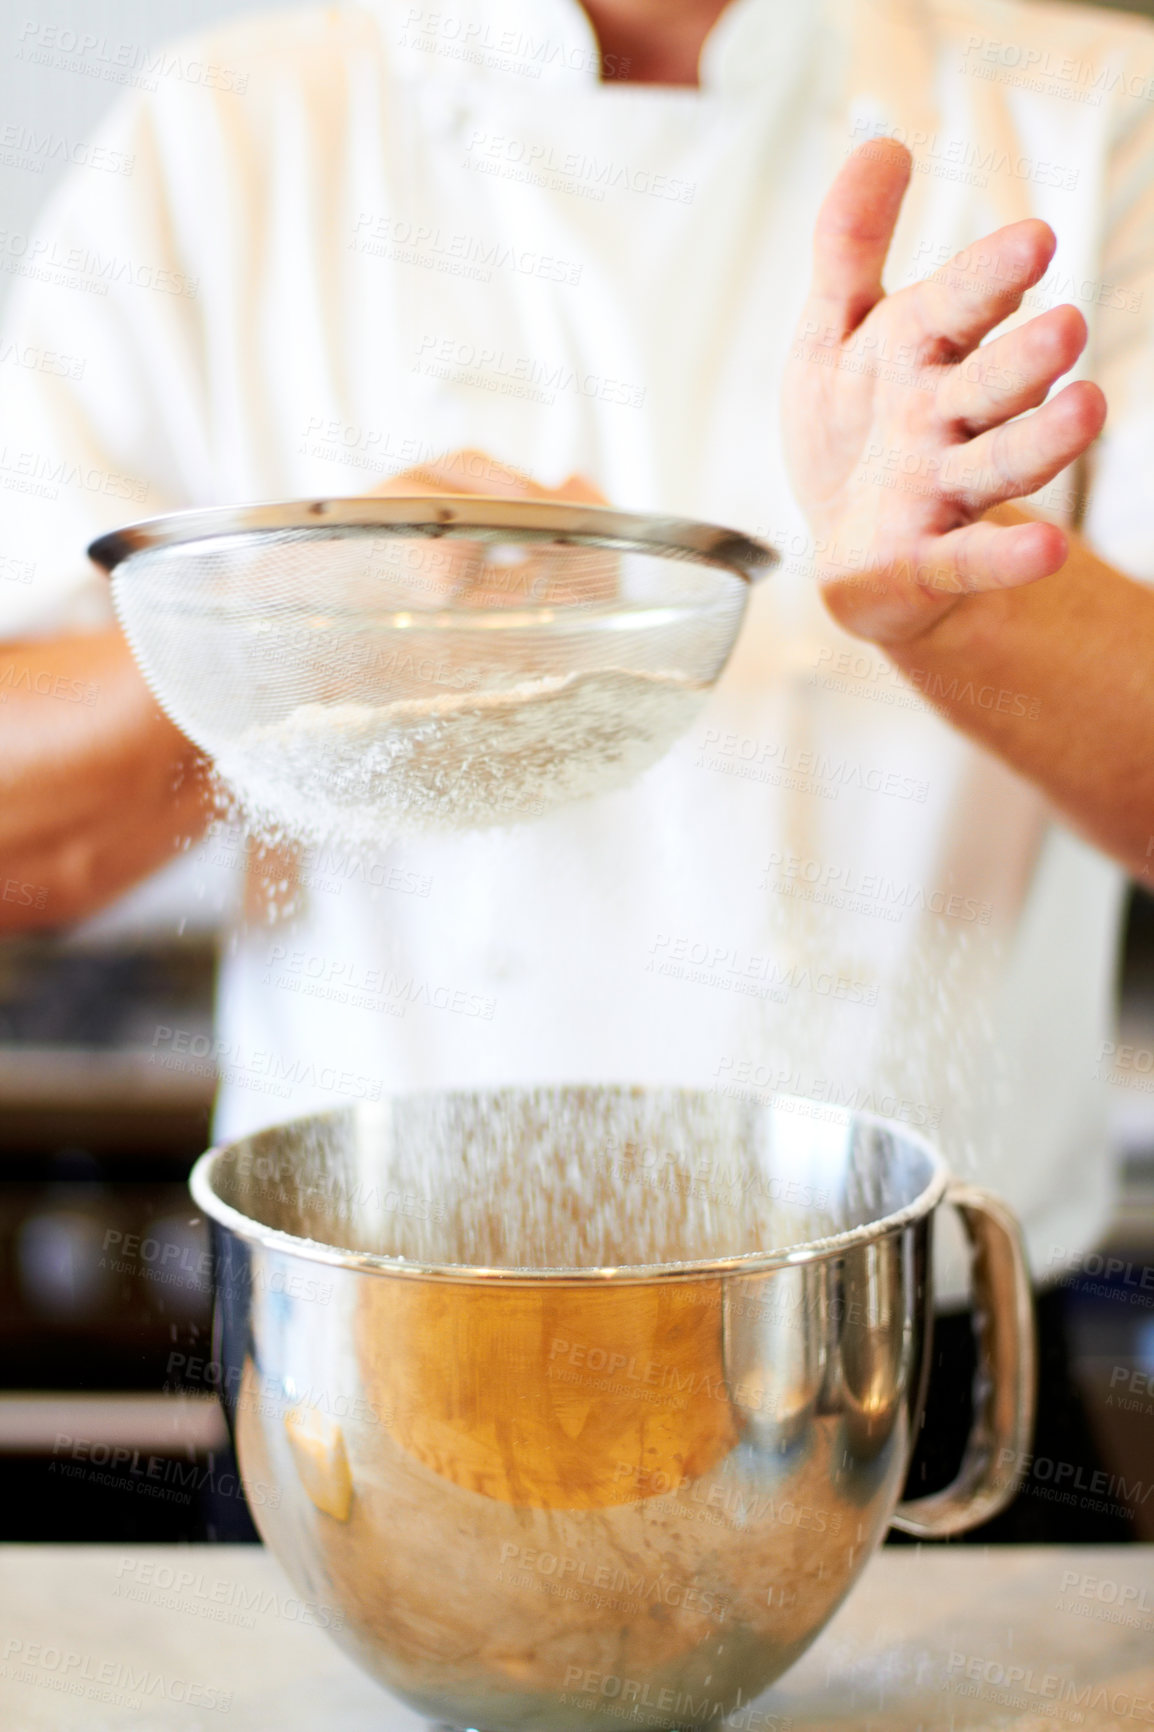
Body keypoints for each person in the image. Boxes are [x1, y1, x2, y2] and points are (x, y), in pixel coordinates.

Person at [2, 0, 1153, 1537]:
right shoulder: (229, 129)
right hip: (364, 1373)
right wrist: (295, 637)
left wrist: (960, 610)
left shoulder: (1093, 117)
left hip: (902, 1369)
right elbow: (25, 841)